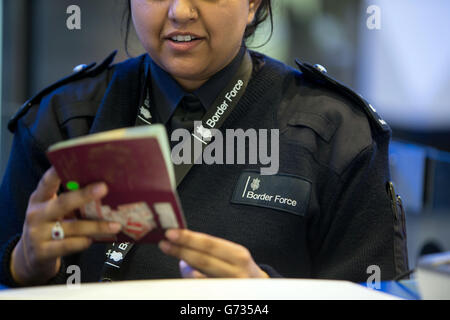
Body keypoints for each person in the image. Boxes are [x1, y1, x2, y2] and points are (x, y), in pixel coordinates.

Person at [0, 0, 408, 287]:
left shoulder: (337, 132)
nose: (180, 11)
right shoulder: (62, 119)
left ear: (253, 5)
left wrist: (266, 296)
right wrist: (22, 267)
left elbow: (378, 291)